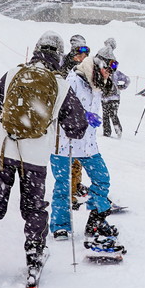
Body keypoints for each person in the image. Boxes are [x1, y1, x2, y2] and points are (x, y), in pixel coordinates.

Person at [0, 32, 87, 288]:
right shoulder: (61, 85)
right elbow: (78, 126)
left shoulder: (12, 74)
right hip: (34, 159)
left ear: (35, 50)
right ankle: (34, 256)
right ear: (59, 54)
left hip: (1, 152)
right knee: (34, 209)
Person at [50, 48, 122, 246]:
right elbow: (58, 110)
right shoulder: (73, 80)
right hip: (65, 142)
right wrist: (82, 116)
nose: (109, 74)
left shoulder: (97, 83)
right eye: (108, 69)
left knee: (102, 178)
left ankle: (96, 221)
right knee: (63, 186)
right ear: (98, 66)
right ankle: (60, 225)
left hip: (88, 144)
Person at [62, 35, 92, 208]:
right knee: (71, 158)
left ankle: (75, 186)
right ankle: (70, 192)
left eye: (86, 53)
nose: (83, 57)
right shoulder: (68, 68)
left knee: (78, 158)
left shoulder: (84, 69)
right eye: (80, 53)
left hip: (81, 119)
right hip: (68, 120)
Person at [97, 39, 127, 137]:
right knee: (113, 114)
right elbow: (127, 79)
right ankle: (118, 130)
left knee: (105, 115)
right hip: (115, 97)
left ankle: (107, 132)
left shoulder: (102, 58)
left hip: (104, 97)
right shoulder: (116, 72)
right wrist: (122, 86)